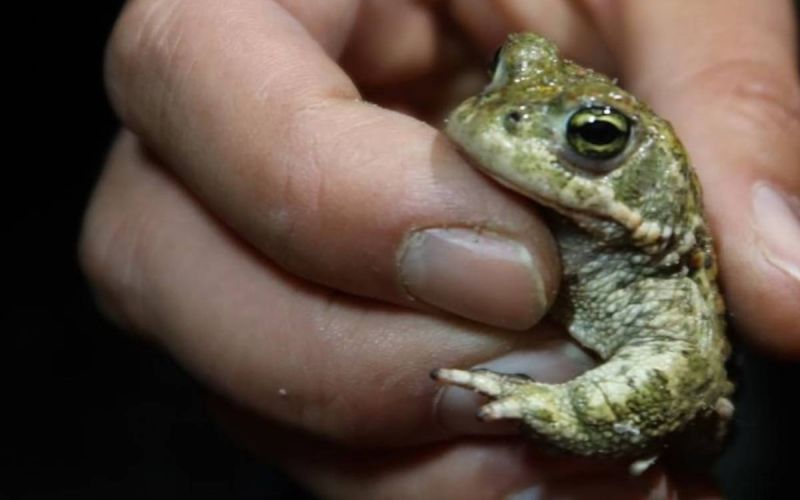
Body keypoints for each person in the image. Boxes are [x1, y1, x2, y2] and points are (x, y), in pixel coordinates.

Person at [81, 1, 800, 498]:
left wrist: (561, 411)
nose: (507, 114)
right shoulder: (508, 201)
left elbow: (687, 369)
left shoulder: (662, 273)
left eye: (594, 136)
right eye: (502, 74)